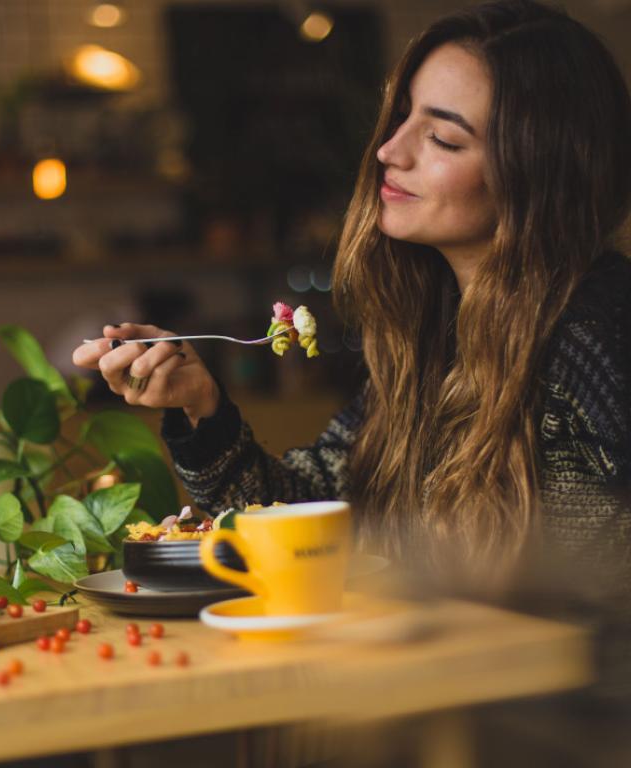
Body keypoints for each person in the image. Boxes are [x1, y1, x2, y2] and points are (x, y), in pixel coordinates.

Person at [73, 0, 631, 595]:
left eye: (442, 138)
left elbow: (591, 608)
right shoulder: (435, 330)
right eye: (403, 116)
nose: (391, 149)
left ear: (539, 174)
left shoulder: (592, 343)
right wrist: (200, 408)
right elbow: (314, 511)